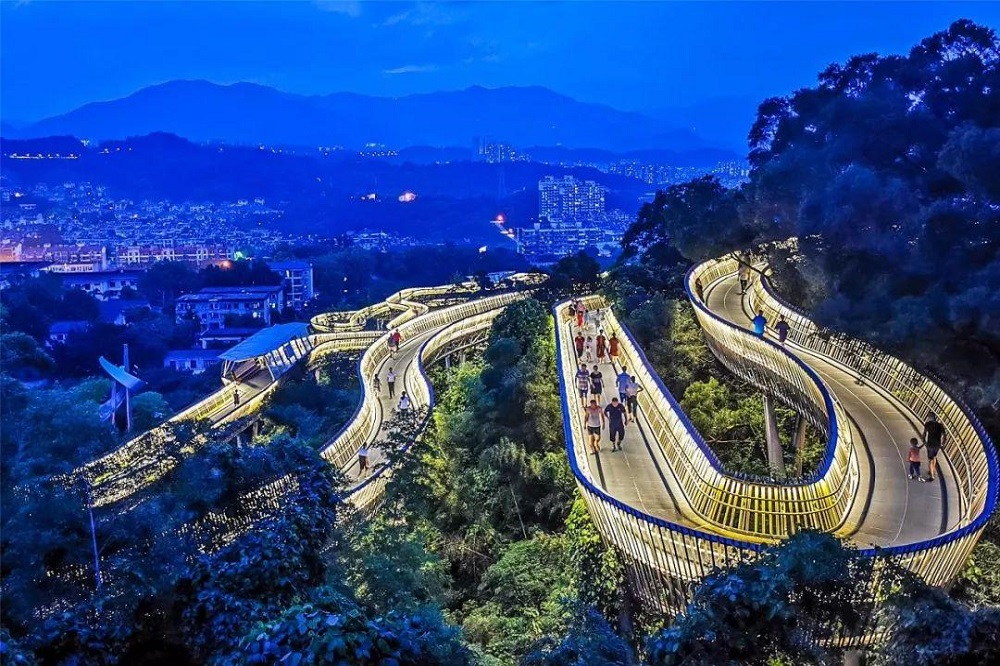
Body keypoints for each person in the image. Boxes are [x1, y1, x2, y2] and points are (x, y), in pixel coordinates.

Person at [922, 412, 945, 482]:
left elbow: (924, 434)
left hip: (930, 444)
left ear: (929, 417)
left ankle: (931, 476)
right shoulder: (940, 425)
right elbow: (944, 435)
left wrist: (924, 441)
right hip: (937, 445)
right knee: (934, 456)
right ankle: (932, 470)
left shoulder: (927, 424)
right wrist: (943, 443)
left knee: (930, 460)